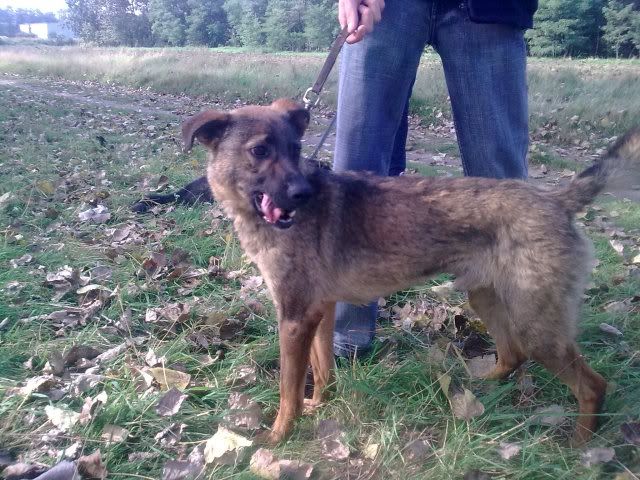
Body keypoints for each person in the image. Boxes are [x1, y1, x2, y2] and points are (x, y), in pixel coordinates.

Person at [332, 0, 538, 358]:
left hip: (492, 7)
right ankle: (347, 338)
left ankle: (525, 331)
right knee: (354, 179)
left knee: (503, 180)